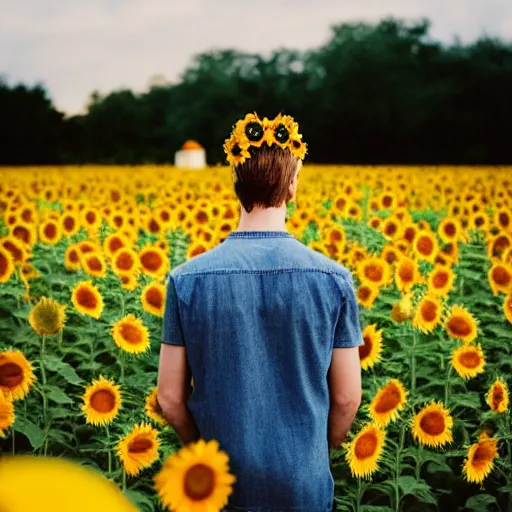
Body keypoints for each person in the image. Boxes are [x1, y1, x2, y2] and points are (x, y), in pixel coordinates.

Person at [157, 113, 363, 512]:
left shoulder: (186, 280)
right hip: (302, 487)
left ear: (236, 183)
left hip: (218, 488)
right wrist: (310, 454)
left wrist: (202, 455)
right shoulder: (333, 279)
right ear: (292, 186)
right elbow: (347, 398)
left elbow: (169, 398)